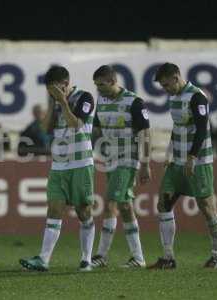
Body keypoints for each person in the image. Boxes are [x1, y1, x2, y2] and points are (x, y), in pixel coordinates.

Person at [19, 65, 96, 271]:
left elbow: (76, 124)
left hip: (81, 164)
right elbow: (45, 128)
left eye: (54, 88)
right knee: (54, 209)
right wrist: (54, 105)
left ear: (64, 84)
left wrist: (62, 102)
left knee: (83, 212)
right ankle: (43, 259)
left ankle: (86, 259)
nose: (51, 93)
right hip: (59, 165)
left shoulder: (85, 97)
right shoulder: (54, 103)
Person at [148, 63, 217, 269]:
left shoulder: (197, 97)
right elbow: (177, 127)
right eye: (162, 86)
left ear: (176, 77)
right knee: (163, 204)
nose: (165, 89)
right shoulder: (174, 98)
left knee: (207, 208)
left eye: (166, 85)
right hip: (177, 161)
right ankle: (168, 257)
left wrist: (192, 157)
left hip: (198, 162)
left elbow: (201, 130)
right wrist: (168, 153)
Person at [91, 65, 151, 268]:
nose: (98, 89)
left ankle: (101, 255)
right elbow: (97, 130)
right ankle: (139, 257)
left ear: (112, 81)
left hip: (128, 159)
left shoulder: (134, 102)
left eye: (101, 84)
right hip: (110, 160)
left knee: (110, 203)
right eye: (96, 85)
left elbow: (145, 133)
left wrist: (145, 164)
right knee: (125, 207)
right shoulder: (102, 101)